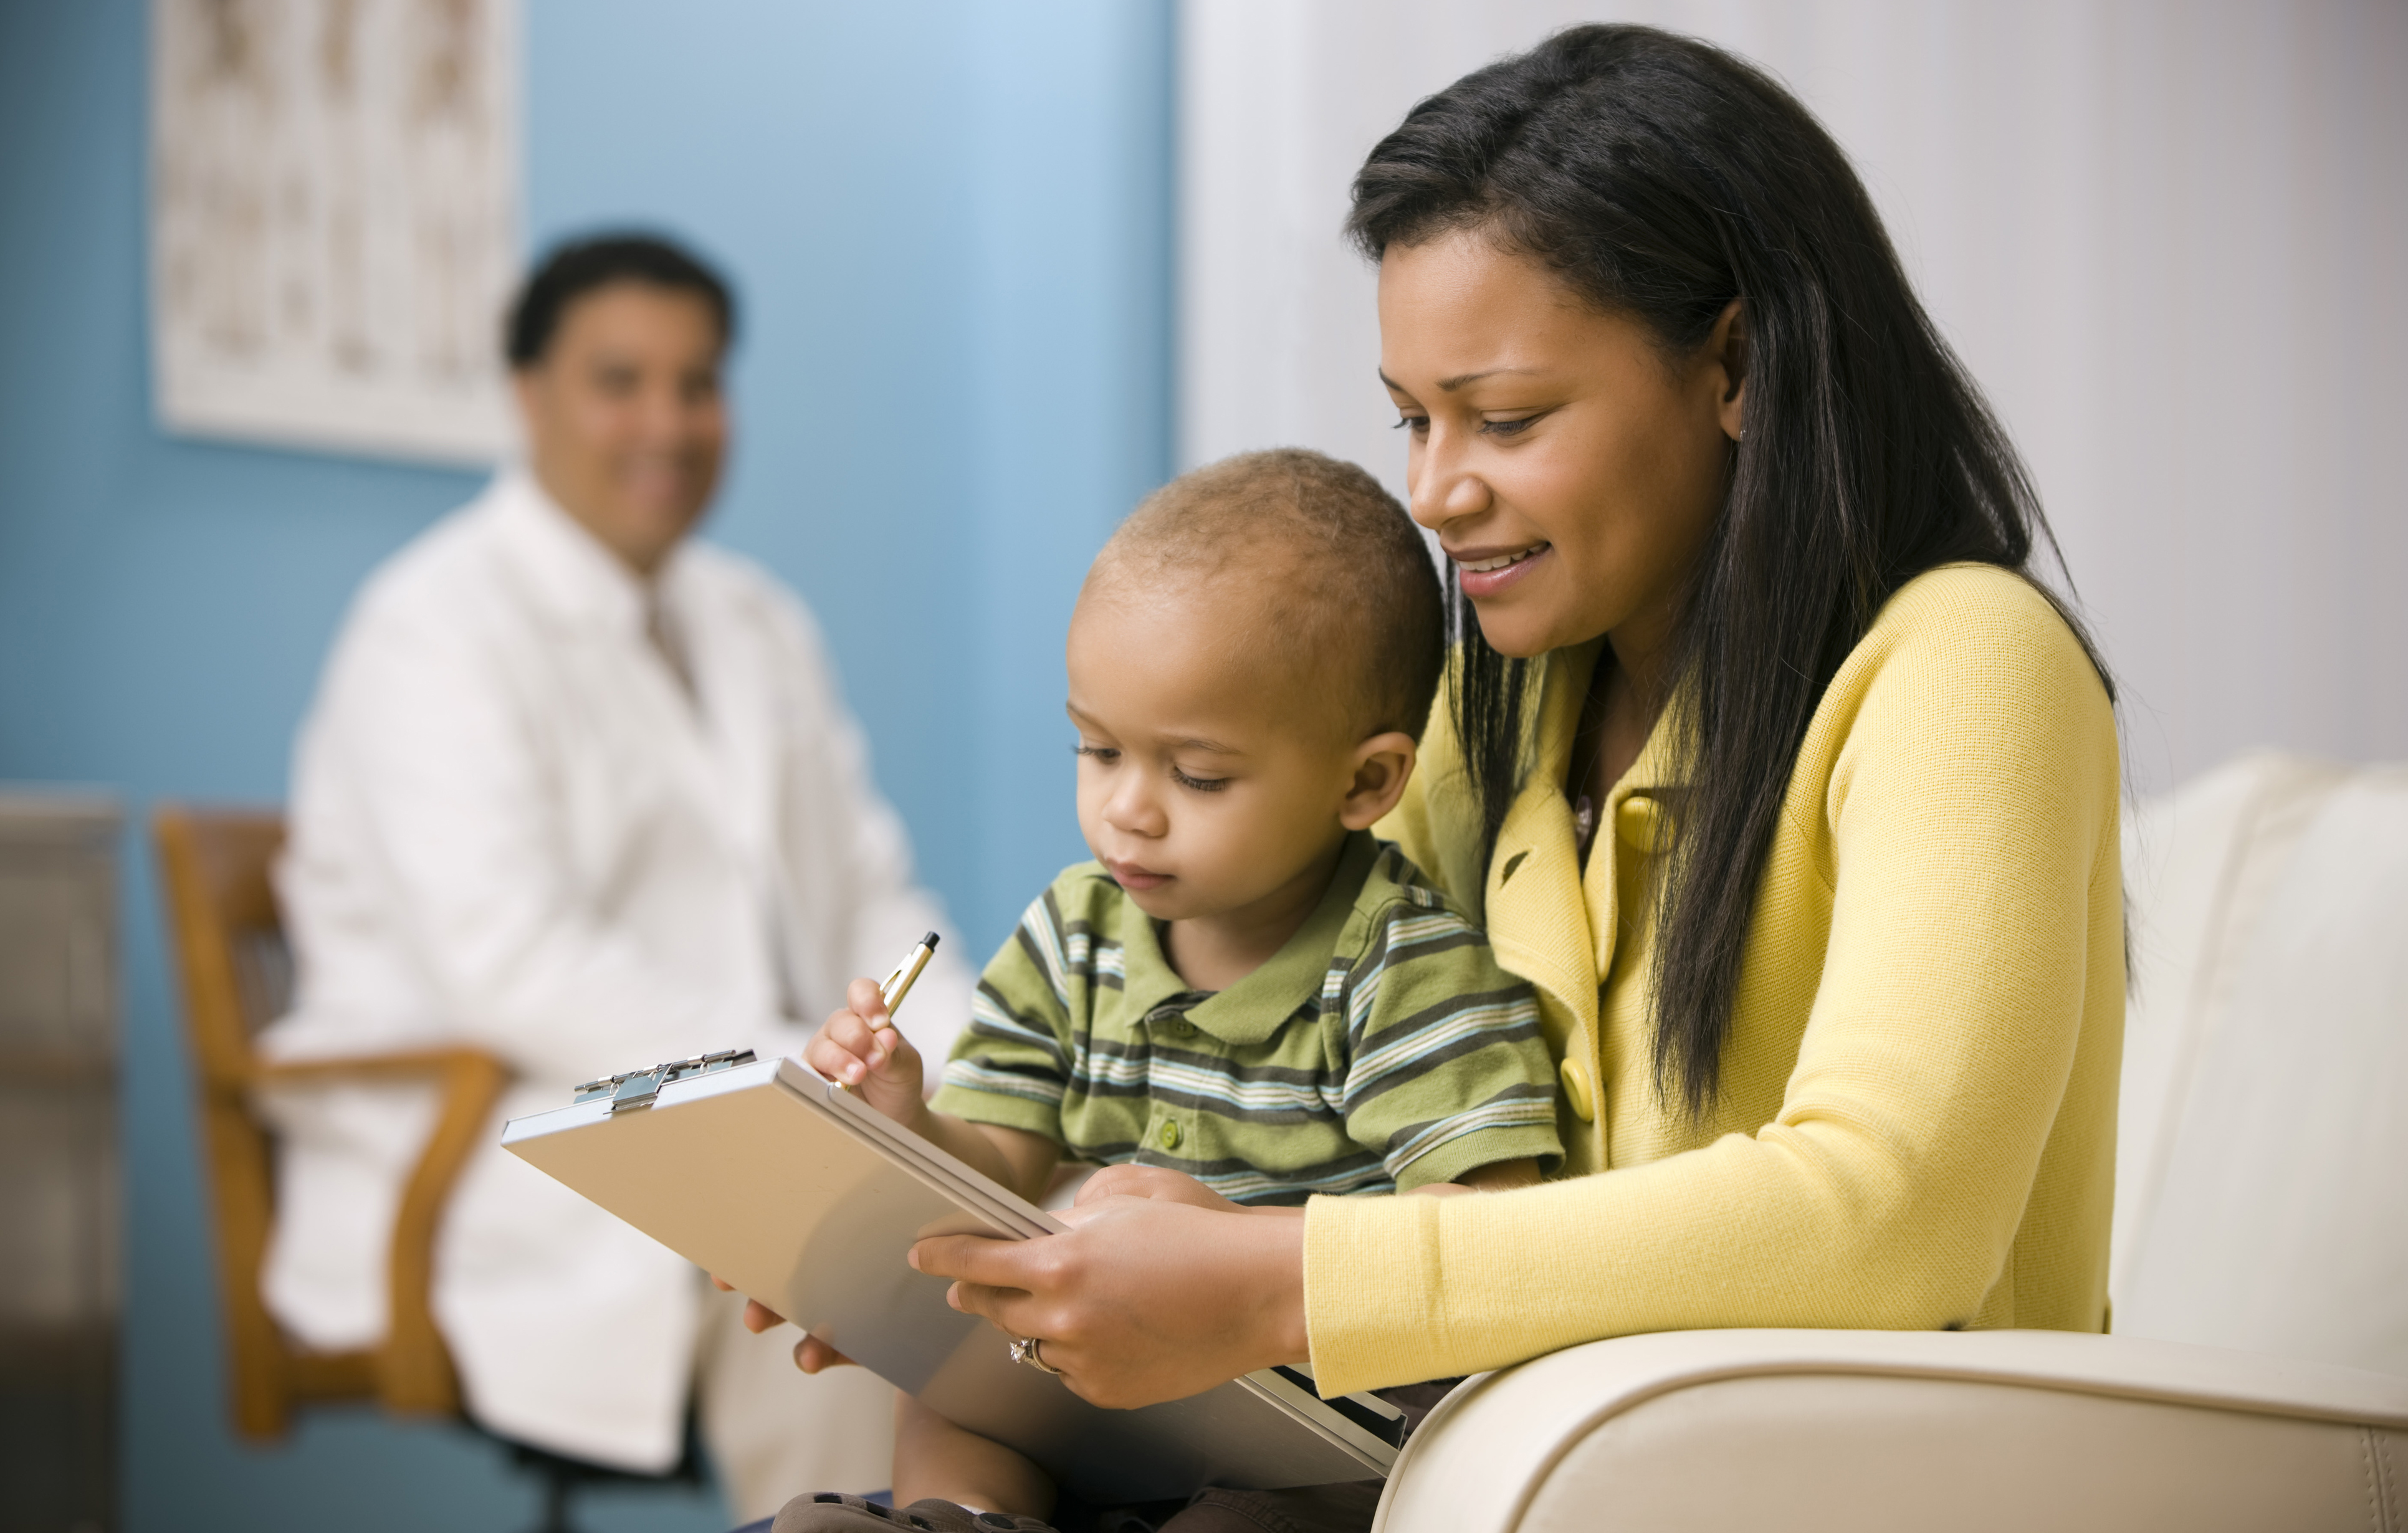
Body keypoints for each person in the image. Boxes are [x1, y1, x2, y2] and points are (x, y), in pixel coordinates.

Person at [798, 26, 2124, 1533]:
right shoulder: (1494, 702)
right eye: (1412, 419)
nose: (1435, 491)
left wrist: (1270, 1272)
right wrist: (982, 1271)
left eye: (1504, 419)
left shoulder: (1964, 661)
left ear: (1738, 366)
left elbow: (1893, 1218)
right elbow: (1304, 1077)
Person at [257, 233, 972, 1519]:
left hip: (759, 1106)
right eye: (621, 380)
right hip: (509, 1142)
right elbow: (512, 962)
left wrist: (980, 1070)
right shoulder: (432, 627)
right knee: (848, 1297)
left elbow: (872, 893)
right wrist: (792, 1077)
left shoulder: (759, 622)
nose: (669, 421)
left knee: (1041, 1236)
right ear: (528, 394)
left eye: (699, 384)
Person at [776, 450, 1565, 1533]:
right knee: (955, 1397)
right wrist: (909, 1123)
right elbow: (1003, 1159)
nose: (1128, 814)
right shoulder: (1074, 932)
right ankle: (961, 1523)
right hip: (1101, 1381)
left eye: (1197, 776)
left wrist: (1236, 1243)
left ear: (1368, 781)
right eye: (1098, 750)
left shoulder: (1406, 968)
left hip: (1310, 1427)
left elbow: (1489, 1237)